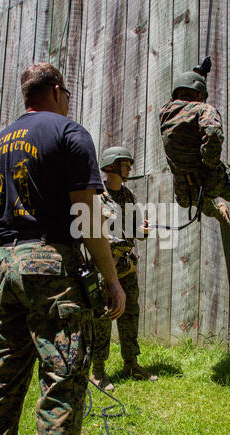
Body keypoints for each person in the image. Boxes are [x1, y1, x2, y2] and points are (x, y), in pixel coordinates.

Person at [0, 63, 125, 435]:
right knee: (61, 382)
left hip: (5, 265)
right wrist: (111, 280)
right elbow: (87, 216)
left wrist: (0, 268)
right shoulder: (69, 133)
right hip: (52, 267)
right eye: (68, 97)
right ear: (58, 91)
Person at [159, 71, 230, 267]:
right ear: (199, 94)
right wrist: (210, 165)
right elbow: (213, 133)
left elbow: (179, 102)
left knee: (200, 200)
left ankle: (217, 212)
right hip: (207, 177)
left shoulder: (164, 113)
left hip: (184, 190)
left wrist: (197, 74)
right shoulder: (202, 109)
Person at [90, 146, 158, 392]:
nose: (129, 167)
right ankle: (97, 371)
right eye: (125, 163)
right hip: (105, 269)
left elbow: (138, 230)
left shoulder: (130, 197)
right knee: (104, 317)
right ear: (111, 165)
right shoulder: (96, 197)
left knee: (130, 314)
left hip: (127, 268)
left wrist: (144, 230)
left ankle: (131, 363)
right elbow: (92, 234)